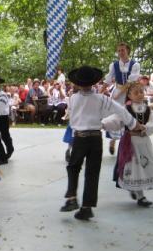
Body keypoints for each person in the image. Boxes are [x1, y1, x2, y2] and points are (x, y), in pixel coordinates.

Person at [60, 66, 144, 221]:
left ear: (78, 83)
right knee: (92, 172)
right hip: (95, 138)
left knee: (73, 167)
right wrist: (134, 124)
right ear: (93, 83)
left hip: (80, 137)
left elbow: (72, 119)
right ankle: (87, 208)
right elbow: (120, 110)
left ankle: (72, 197)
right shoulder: (101, 98)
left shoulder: (73, 98)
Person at [103, 81, 153, 207]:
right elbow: (116, 119)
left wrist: (145, 129)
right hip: (130, 144)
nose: (140, 94)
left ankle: (136, 190)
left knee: (144, 166)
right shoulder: (126, 109)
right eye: (136, 92)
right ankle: (140, 196)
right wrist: (102, 124)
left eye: (141, 91)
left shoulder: (148, 110)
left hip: (144, 143)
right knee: (133, 167)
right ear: (129, 95)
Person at [104, 42, 141, 155]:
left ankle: (131, 144)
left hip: (130, 94)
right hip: (118, 93)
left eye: (123, 50)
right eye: (119, 50)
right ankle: (113, 140)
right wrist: (99, 92)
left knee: (131, 116)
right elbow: (108, 80)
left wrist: (119, 94)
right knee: (116, 116)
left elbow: (130, 82)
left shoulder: (135, 64)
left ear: (128, 51)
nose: (120, 52)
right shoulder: (114, 65)